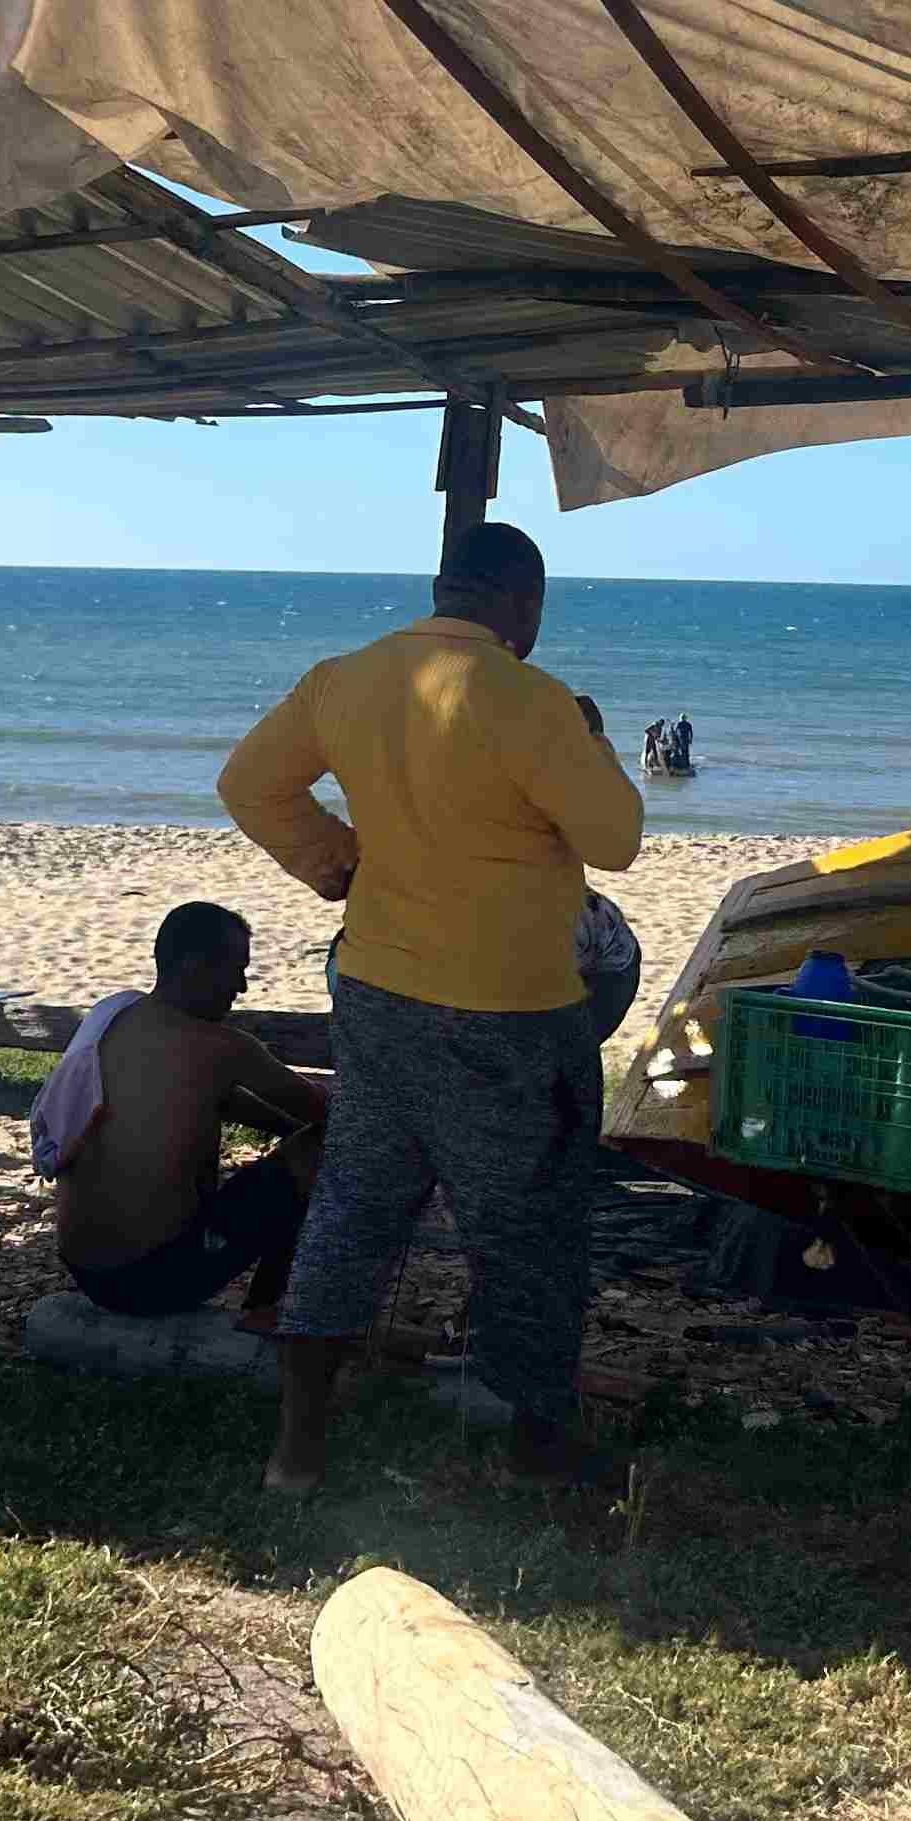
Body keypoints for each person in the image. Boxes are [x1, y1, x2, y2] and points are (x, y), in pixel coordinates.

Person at [219, 519, 643, 1492]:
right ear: (520, 603)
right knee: (530, 1230)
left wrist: (334, 860)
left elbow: (248, 783)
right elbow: (615, 836)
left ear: (443, 589)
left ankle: (298, 1452)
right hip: (513, 1014)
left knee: (355, 1211)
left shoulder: (348, 677)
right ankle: (537, 1454)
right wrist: (591, 737)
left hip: (377, 997)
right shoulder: (532, 700)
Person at [38, 902, 328, 1322]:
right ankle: (267, 1309)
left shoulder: (115, 1016)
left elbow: (215, 1100)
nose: (243, 987)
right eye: (236, 970)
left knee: (289, 1155)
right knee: (319, 1151)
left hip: (84, 1269)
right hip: (157, 1278)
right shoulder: (223, 1047)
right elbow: (327, 1113)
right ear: (195, 967)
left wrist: (286, 1128)